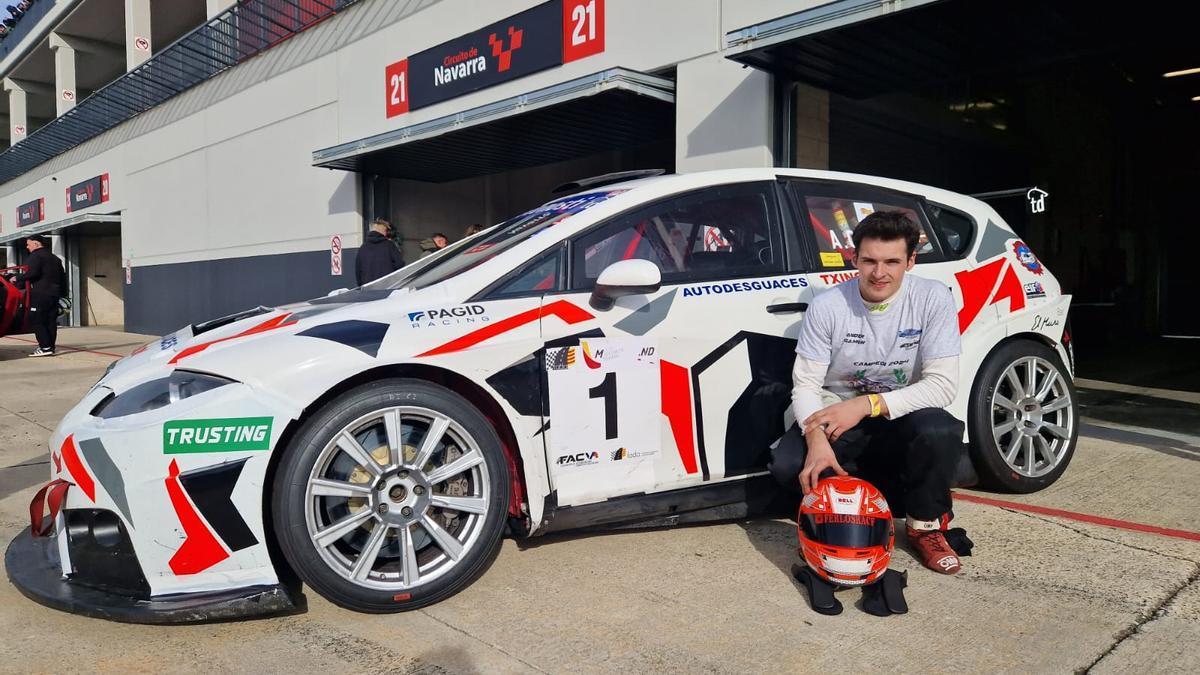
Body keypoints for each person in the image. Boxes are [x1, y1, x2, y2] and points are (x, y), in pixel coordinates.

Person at [768, 211, 965, 575]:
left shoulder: (933, 298)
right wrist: (815, 438)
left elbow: (943, 386)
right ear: (854, 259)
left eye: (892, 262)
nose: (879, 273)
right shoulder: (828, 305)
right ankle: (847, 520)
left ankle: (925, 528)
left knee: (940, 431)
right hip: (836, 416)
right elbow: (807, 384)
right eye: (869, 261)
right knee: (789, 466)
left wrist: (867, 404)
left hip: (900, 414)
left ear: (911, 261)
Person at [12, 234, 65, 357]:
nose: (27, 247)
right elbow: (63, 277)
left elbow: (33, 273)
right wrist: (62, 294)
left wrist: (17, 278)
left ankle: (45, 347)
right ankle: (50, 347)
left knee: (36, 319)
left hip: (41, 294)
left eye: (28, 244)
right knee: (50, 321)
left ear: (36, 244)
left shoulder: (36, 256)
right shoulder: (55, 258)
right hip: (54, 294)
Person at [354, 218, 404, 286]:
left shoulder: (363, 248)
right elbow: (400, 265)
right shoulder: (389, 245)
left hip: (367, 289)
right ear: (385, 231)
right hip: (387, 288)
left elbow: (358, 272)